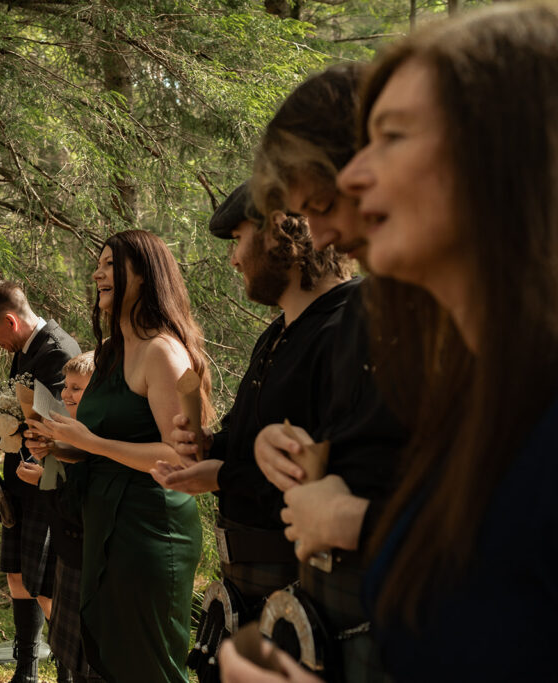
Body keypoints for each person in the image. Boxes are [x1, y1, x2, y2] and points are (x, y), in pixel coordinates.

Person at [220, 3, 558, 680]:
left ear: (504, 150)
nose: (352, 178)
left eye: (393, 136)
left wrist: (352, 521)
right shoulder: (488, 380)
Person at [239, 64, 408, 682]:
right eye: (304, 214)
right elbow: (355, 444)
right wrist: (274, 447)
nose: (323, 233)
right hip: (335, 622)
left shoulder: (489, 310)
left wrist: (353, 522)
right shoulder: (365, 309)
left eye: (324, 203)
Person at [149, 183, 352, 674]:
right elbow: (246, 444)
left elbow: (336, 473)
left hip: (311, 594)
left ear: (280, 233)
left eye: (238, 239)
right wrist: (206, 446)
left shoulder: (349, 326)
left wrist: (221, 476)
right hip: (249, 588)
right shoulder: (277, 332)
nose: (234, 260)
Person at [28, 229, 212, 683]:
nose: (97, 273)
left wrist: (89, 443)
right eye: (99, 264)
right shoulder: (110, 353)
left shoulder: (162, 352)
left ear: (144, 277)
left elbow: (180, 457)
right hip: (102, 522)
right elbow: (105, 444)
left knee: (148, 663)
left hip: (150, 529)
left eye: (110, 264)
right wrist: (61, 445)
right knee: (109, 658)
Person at [0, 281, 80, 683]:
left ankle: (68, 668)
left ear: (10, 320)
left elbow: (48, 424)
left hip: (48, 481)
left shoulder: (56, 350)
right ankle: (25, 671)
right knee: (18, 576)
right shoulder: (26, 347)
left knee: (45, 585)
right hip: (20, 481)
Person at [25, 352, 103, 683]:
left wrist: (43, 482)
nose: (67, 395)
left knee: (89, 660)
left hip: (89, 559)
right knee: (68, 655)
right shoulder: (69, 432)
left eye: (77, 388)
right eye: (66, 387)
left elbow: (75, 506)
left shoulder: (97, 435)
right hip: (68, 555)